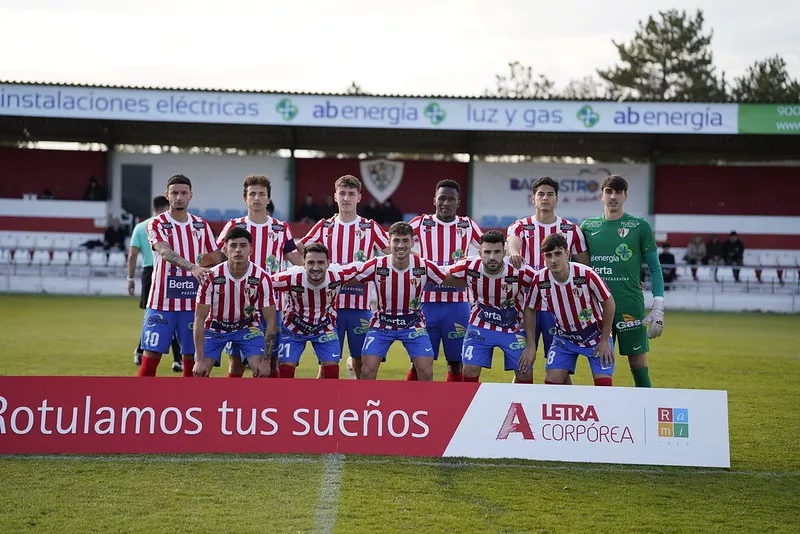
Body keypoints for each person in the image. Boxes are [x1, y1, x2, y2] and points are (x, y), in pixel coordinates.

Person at [203, 175, 302, 377]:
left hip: (273, 304)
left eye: (262, 194)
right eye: (253, 194)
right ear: (245, 199)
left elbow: (297, 261)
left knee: (271, 362)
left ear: (268, 199)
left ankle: (268, 406)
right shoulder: (234, 226)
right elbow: (218, 257)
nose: (257, 198)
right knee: (237, 364)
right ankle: (234, 406)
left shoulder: (280, 228)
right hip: (239, 307)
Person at [297, 175, 389, 379]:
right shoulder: (324, 226)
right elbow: (297, 250)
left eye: (351, 194)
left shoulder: (370, 227)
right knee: (326, 363)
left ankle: (361, 407)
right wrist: (307, 276)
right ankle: (322, 407)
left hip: (360, 305)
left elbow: (394, 252)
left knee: (362, 363)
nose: (346, 198)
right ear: (335, 197)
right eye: (342, 194)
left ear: (359, 197)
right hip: (329, 308)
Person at [579, 174, 664, 388]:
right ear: (601, 195)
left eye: (618, 192)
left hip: (629, 305)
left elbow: (655, 267)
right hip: (598, 309)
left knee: (637, 362)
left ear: (625, 196)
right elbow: (577, 268)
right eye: (609, 191)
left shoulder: (640, 227)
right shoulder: (587, 227)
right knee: (602, 366)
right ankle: (606, 417)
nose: (613, 196)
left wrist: (658, 306)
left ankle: (648, 412)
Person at [507, 176, 589, 382]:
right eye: (540, 194)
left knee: (560, 372)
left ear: (557, 199)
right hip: (526, 308)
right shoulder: (520, 226)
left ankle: (564, 413)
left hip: (559, 310)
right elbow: (513, 242)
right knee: (523, 367)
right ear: (533, 199)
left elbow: (585, 267)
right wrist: (515, 253)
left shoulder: (571, 230)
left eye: (550, 194)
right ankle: (519, 410)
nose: (545, 198)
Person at [137, 174, 215, 377]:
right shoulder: (156, 224)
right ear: (167, 196)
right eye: (174, 193)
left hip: (193, 305)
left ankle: (190, 406)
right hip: (161, 304)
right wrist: (192, 268)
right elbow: (164, 251)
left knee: (193, 362)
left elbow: (215, 257)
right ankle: (137, 406)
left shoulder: (201, 225)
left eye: (183, 193)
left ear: (191, 196)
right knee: (149, 362)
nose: (179, 197)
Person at [352, 222, 448, 381]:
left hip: (413, 322)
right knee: (367, 371)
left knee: (426, 371)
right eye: (396, 240)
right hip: (382, 322)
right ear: (389, 242)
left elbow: (449, 279)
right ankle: (367, 405)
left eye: (405, 240)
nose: (400, 245)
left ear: (412, 242)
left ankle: (424, 405)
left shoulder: (424, 265)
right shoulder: (377, 264)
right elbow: (350, 280)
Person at [408, 179, 482, 382]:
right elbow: (395, 243)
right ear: (434, 200)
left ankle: (455, 408)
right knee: (419, 361)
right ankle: (410, 405)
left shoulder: (467, 225)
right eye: (442, 198)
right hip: (425, 303)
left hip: (457, 303)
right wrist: (417, 261)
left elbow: (486, 250)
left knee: (457, 361)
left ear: (458, 203)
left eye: (451, 199)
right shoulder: (421, 223)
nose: (446, 203)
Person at [523, 233, 616, 386]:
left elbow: (609, 302)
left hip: (595, 336)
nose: (553, 260)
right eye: (548, 255)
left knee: (604, 386)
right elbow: (529, 308)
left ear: (567, 253)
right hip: (564, 339)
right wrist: (531, 344)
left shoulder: (586, 274)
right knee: (551, 383)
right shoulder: (540, 280)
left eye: (558, 254)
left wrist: (605, 340)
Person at [446, 231, 536, 383]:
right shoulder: (468, 265)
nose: (492, 257)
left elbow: (544, 285)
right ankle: (470, 406)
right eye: (487, 252)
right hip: (480, 326)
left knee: (525, 373)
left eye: (497, 252)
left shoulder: (520, 271)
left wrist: (531, 345)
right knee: (469, 370)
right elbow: (441, 275)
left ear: (504, 252)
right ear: (480, 252)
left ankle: (518, 406)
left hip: (512, 328)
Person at [192, 227, 277, 378]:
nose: (238, 250)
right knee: (200, 371)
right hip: (216, 327)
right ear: (225, 250)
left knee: (261, 371)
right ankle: (203, 402)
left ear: (251, 250)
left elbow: (271, 321)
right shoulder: (211, 277)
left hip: (248, 327)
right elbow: (199, 319)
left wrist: (266, 360)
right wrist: (199, 359)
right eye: (233, 246)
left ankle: (252, 402)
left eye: (243, 246)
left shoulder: (262, 278)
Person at [271, 243, 363, 379]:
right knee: (285, 371)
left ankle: (325, 400)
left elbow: (368, 267)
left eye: (321, 262)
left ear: (328, 263)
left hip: (324, 329)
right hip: (293, 330)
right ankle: (284, 399)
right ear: (303, 263)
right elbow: (263, 283)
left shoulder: (338, 274)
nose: (316, 267)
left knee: (332, 372)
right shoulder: (290, 277)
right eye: (311, 262)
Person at [127, 195, 181, 372]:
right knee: (172, 314)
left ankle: (142, 351)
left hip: (148, 272)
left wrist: (130, 278)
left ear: (152, 208)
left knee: (152, 318)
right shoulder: (168, 226)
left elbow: (133, 254)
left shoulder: (140, 227)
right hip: (168, 271)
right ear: (167, 207)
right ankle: (176, 359)